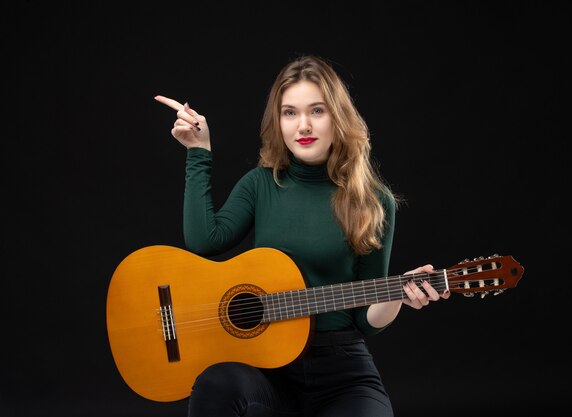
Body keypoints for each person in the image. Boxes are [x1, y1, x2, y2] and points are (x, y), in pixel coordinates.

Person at [155, 54, 450, 417]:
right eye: (290, 112)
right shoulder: (260, 184)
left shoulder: (374, 201)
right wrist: (198, 152)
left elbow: (363, 321)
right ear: (277, 121)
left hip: (341, 371)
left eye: (317, 111)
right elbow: (204, 241)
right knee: (215, 383)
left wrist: (398, 296)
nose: (303, 126)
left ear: (337, 118)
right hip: (267, 369)